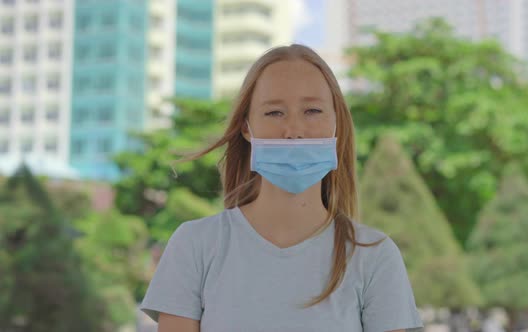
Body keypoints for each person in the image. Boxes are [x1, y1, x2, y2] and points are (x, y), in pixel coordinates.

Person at [140, 44, 424, 332]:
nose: (294, 131)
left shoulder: (374, 256)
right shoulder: (195, 245)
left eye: (312, 110)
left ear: (337, 123)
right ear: (246, 127)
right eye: (275, 112)